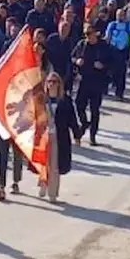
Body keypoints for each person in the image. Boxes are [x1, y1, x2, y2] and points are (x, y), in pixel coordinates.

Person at [38, 73, 82, 203]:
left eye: (54, 81)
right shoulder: (41, 99)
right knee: (43, 163)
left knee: (55, 166)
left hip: (59, 137)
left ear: (59, 84)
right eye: (49, 81)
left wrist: (77, 135)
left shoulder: (65, 100)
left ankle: (53, 193)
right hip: (43, 136)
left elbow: (72, 119)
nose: (51, 84)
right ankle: (43, 185)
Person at [71, 26, 112, 145]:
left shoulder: (103, 46)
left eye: (89, 34)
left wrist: (103, 66)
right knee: (79, 105)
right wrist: (77, 61)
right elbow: (72, 56)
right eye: (86, 34)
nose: (88, 36)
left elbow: (112, 62)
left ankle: (93, 135)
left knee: (95, 110)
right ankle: (84, 123)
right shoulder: (82, 44)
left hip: (97, 82)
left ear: (95, 33)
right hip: (83, 80)